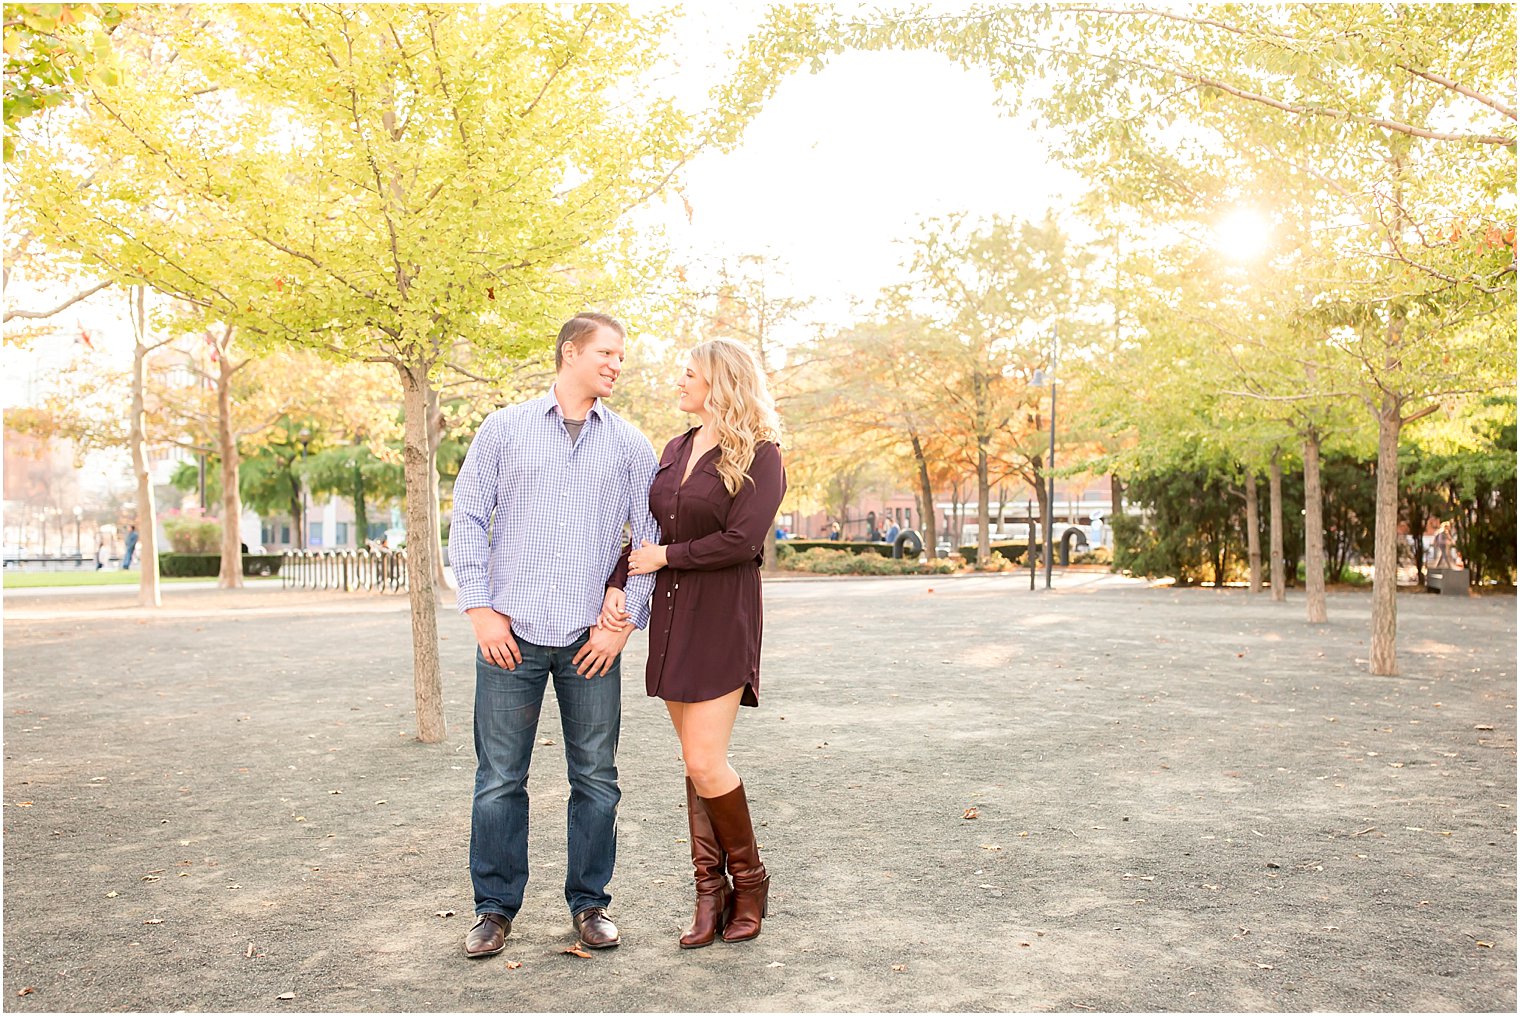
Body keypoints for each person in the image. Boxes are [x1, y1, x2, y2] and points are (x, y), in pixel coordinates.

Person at [449, 312, 660, 959]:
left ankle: (591, 905)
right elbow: (467, 515)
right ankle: (494, 909)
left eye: (621, 356)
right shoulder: (504, 429)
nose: (616, 364)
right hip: (509, 636)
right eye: (606, 352)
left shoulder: (630, 445)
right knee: (500, 779)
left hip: (590, 640)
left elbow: (648, 539)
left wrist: (623, 624)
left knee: (596, 778)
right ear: (570, 352)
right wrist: (481, 611)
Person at [602, 336, 786, 948]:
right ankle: (710, 895)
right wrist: (622, 576)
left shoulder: (762, 455)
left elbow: (742, 541)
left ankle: (750, 883)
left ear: (720, 382)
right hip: (674, 619)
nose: (677, 383)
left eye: (688, 374)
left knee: (707, 761)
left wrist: (666, 557)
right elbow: (647, 528)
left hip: (721, 619)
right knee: (694, 764)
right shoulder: (676, 447)